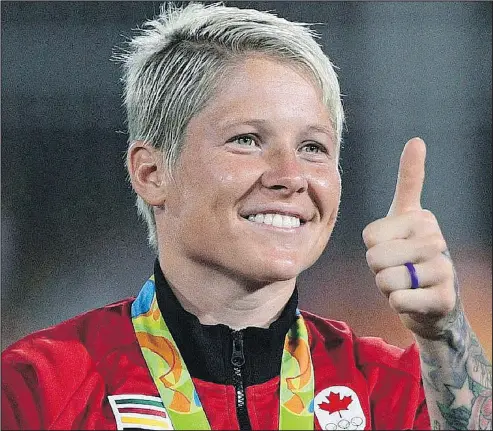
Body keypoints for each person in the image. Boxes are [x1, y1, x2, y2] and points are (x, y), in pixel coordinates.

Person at [2, 3, 491, 430]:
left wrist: (444, 332)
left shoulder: (394, 391)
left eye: (313, 147)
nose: (290, 176)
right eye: (247, 140)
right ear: (151, 172)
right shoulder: (39, 389)